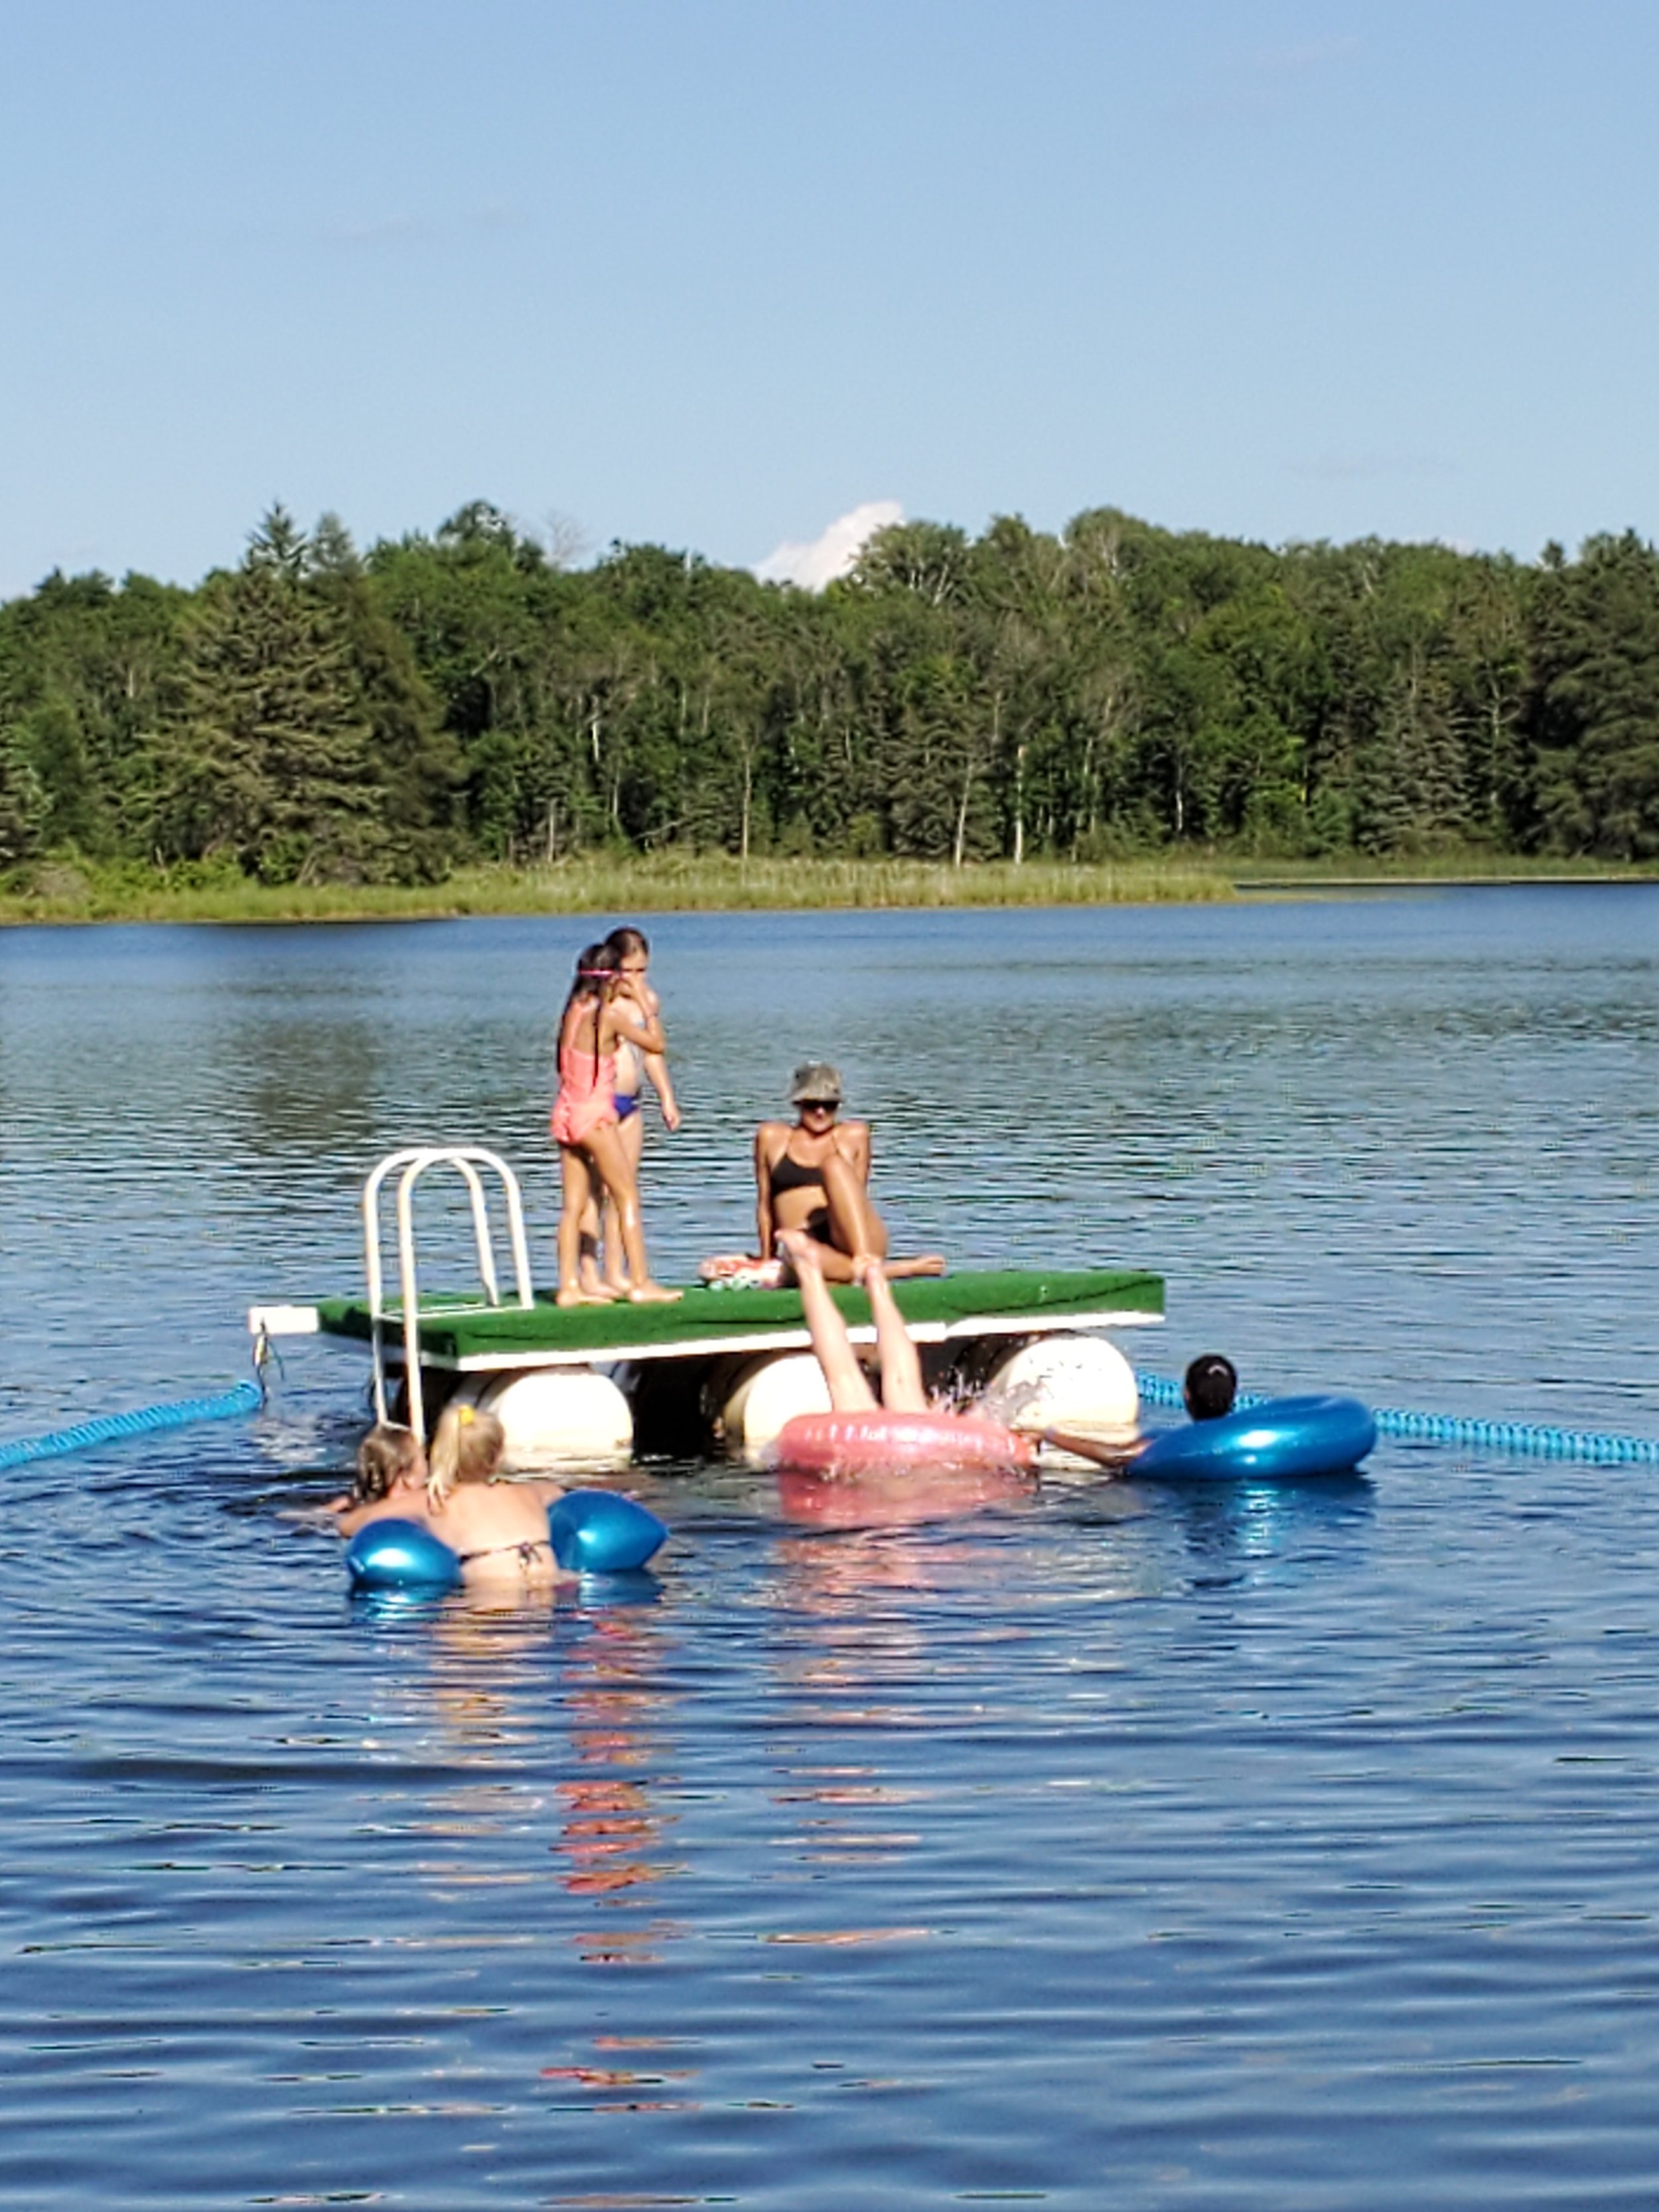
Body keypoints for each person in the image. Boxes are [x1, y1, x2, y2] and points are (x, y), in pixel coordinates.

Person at [550, 942, 681, 1307]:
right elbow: (656, 1044)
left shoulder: (573, 1011)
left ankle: (568, 1287)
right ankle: (640, 1282)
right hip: (596, 1117)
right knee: (626, 1197)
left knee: (573, 1205)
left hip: (566, 1113)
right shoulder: (607, 1015)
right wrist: (645, 1005)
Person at [334, 1404, 572, 1593]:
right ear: (499, 1457)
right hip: (549, 1587)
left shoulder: (436, 1501)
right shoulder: (528, 1493)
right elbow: (556, 1493)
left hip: (491, 1595)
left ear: (440, 1454)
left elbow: (349, 1525)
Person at [755, 1062, 944, 1285]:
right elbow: (765, 1205)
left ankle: (864, 1261)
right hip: (806, 1243)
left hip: (850, 1235)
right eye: (811, 1104)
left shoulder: (853, 1135)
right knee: (795, 1253)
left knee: (834, 1165)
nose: (820, 1112)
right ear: (797, 1103)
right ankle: (893, 1271)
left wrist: (858, 1248)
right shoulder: (772, 1138)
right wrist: (767, 1258)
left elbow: (857, 1198)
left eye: (829, 1105)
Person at [587, 926, 681, 1295]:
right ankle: (589, 1272)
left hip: (632, 1103)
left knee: (625, 1188)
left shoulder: (647, 1003)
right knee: (598, 1193)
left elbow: (652, 1054)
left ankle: (616, 1272)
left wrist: (666, 1098)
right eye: (630, 971)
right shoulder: (601, 1004)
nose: (637, 979)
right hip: (602, 1102)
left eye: (643, 971)